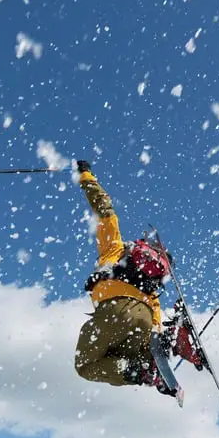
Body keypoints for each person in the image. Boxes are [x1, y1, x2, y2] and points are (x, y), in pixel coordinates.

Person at [74, 160, 171, 391]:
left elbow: (105, 210)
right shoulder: (148, 281)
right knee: (130, 355)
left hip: (115, 311)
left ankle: (139, 372)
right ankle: (173, 344)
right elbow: (155, 311)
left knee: (85, 365)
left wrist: (85, 176)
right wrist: (159, 336)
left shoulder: (113, 249)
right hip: (144, 318)